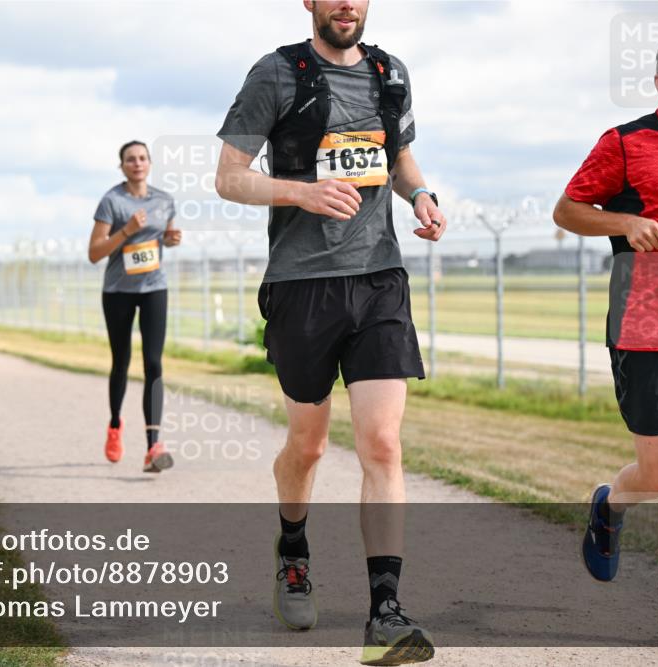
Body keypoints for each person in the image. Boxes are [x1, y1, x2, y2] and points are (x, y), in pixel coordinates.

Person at [215, 2, 446, 663]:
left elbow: (398, 155)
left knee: (381, 442)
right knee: (308, 447)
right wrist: (302, 192)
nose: (348, 2)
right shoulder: (277, 73)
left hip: (378, 279)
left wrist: (422, 194)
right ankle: (293, 545)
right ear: (310, 2)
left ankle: (385, 615)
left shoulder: (388, 72)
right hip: (301, 286)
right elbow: (229, 178)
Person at [553, 35, 658, 582]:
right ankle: (611, 506)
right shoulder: (626, 143)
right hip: (647, 328)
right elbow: (568, 210)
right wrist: (627, 224)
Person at [88, 140, 183, 473]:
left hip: (154, 287)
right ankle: (115, 424)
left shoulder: (164, 201)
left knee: (154, 363)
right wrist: (126, 230)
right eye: (131, 159)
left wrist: (170, 240)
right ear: (122, 166)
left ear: (150, 163)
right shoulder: (112, 201)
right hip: (118, 291)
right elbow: (95, 252)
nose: (137, 163)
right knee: (122, 361)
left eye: (142, 158)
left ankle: (153, 446)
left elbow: (162, 241)